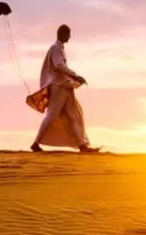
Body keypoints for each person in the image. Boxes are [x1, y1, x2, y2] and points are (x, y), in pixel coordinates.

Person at [31, 24, 97, 153]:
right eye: (68, 34)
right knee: (52, 115)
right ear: (62, 34)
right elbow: (59, 66)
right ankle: (35, 143)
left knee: (74, 113)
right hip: (59, 86)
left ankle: (82, 145)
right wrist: (76, 76)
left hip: (65, 85)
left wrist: (74, 78)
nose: (70, 37)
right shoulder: (55, 48)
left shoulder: (58, 48)